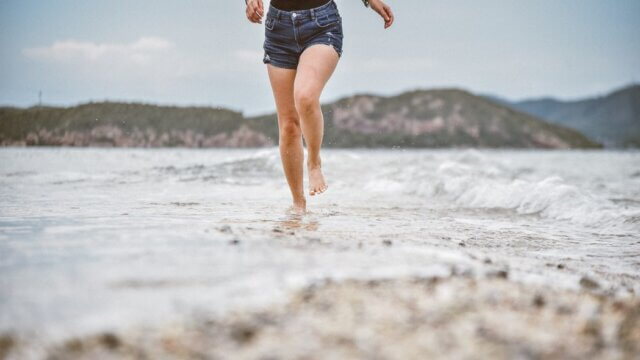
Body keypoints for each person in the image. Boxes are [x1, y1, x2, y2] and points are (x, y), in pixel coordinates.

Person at [245, 0, 394, 214]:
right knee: (288, 126)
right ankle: (298, 205)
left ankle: (314, 161)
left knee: (305, 96)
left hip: (321, 25)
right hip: (278, 29)